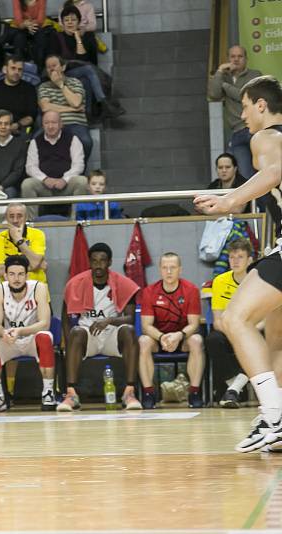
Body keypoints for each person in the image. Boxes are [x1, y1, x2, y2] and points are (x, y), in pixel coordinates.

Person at [193, 76, 282, 452]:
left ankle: (274, 416)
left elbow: (274, 173)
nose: (242, 115)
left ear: (261, 105)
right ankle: (276, 416)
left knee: (233, 319)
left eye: (245, 106)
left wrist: (230, 201)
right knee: (276, 340)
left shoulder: (266, 138)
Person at [60, 242, 142, 411]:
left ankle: (129, 392)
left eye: (102, 260)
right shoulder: (75, 284)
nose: (98, 265)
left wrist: (109, 321)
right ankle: (71, 394)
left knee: (129, 331)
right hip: (88, 336)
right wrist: (69, 346)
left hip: (112, 335)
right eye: (94, 261)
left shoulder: (123, 283)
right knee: (76, 332)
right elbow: (65, 318)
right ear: (89, 262)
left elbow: (130, 318)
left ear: (110, 262)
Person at [0, 254, 54, 411]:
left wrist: (21, 330)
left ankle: (48, 392)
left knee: (45, 337)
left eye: (21, 274)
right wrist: (3, 333)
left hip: (31, 338)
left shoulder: (39, 287)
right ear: (6, 276)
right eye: (12, 274)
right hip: (10, 339)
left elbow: (45, 323)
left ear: (27, 275)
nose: (16, 278)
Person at [138, 253, 205, 408]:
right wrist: (162, 337)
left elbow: (194, 324)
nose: (169, 271)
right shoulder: (149, 292)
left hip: (182, 338)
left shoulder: (191, 290)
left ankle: (194, 392)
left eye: (173, 267)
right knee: (143, 341)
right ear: (160, 270)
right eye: (165, 268)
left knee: (197, 340)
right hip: (158, 338)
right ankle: (149, 393)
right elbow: (146, 326)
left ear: (180, 270)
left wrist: (178, 336)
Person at [207, 238, 254, 408]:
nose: (235, 261)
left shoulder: (259, 280)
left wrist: (246, 332)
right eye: (232, 257)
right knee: (213, 339)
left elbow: (266, 318)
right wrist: (234, 333)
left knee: (265, 338)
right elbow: (217, 320)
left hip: (254, 329)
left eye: (240, 257)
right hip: (229, 330)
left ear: (249, 260)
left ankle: (233, 390)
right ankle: (235, 388)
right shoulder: (220, 281)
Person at [207, 45, 262, 179]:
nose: (236, 60)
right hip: (237, 132)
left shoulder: (255, 75)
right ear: (228, 59)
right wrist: (220, 71)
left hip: (254, 130)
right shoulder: (224, 76)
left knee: (262, 172)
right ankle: (250, 201)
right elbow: (214, 95)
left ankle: (268, 201)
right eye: (232, 57)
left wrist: (225, 86)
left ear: (246, 59)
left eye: (240, 56)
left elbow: (243, 96)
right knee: (244, 176)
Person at [22, 110, 88, 220]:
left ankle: (76, 221)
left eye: (54, 122)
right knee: (27, 184)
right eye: (47, 123)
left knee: (82, 181)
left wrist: (64, 179)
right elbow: (30, 167)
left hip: (66, 185)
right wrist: (45, 179)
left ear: (61, 124)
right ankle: (31, 223)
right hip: (44, 185)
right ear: (42, 125)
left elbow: (79, 165)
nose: (50, 126)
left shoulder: (73, 139)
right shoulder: (35, 142)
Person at [38, 55, 92, 161]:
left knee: (86, 142)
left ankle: (79, 170)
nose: (51, 69)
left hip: (75, 123)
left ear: (63, 67)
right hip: (52, 123)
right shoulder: (44, 86)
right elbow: (45, 107)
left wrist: (61, 85)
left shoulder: (75, 82)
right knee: (34, 141)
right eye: (48, 67)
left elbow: (76, 102)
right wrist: (71, 109)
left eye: (54, 65)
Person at [0, 202, 47, 283]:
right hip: (9, 289)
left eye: (19, 216)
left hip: (36, 287)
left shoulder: (37, 234)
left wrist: (19, 241)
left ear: (26, 217)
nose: (15, 220)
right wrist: (34, 266)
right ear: (6, 218)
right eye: (11, 216)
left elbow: (35, 263)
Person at [0, 55, 38, 135]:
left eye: (20, 69)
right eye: (13, 68)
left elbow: (31, 117)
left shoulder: (29, 89)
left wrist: (17, 125)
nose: (16, 72)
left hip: (19, 130)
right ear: (5, 69)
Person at [2, 0, 51, 70]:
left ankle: (39, 69)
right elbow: (18, 20)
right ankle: (18, 68)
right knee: (19, 38)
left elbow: (40, 20)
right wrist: (26, 24)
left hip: (36, 26)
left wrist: (29, 24)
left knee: (41, 37)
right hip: (21, 27)